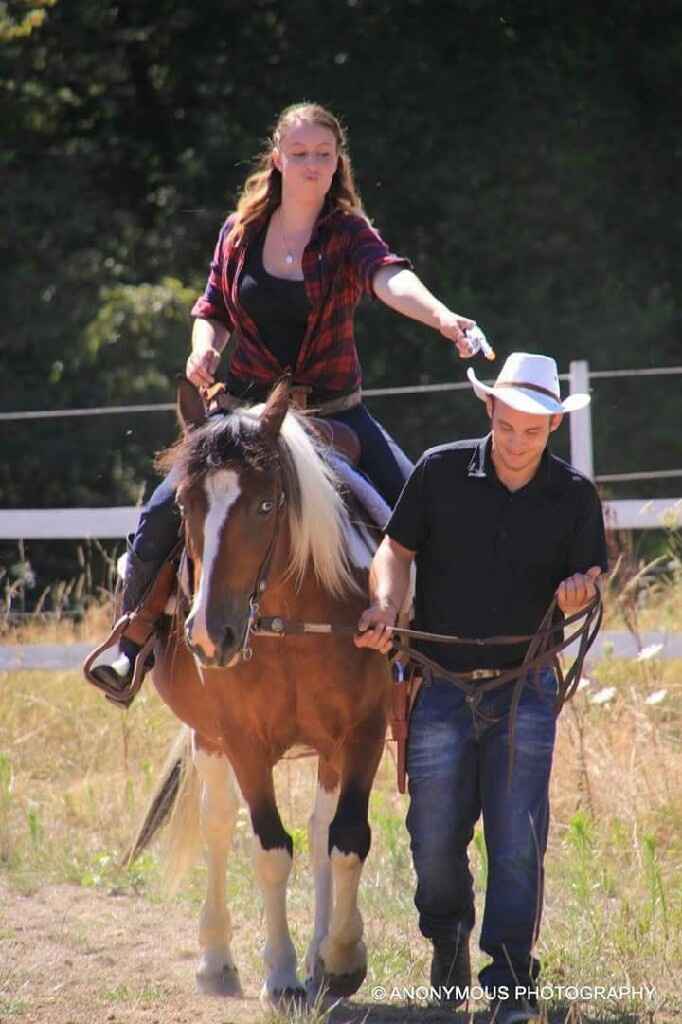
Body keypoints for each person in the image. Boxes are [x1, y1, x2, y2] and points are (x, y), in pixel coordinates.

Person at [91, 101, 481, 695]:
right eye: (299, 154)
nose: (312, 164)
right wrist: (203, 349)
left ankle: (436, 665)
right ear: (277, 159)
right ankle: (131, 640)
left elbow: (389, 277)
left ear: (336, 162)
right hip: (242, 417)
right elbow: (212, 309)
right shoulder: (240, 231)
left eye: (323, 154)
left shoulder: (349, 234)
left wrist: (444, 318)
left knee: (420, 513)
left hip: (335, 416)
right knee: (159, 513)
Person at [355, 352, 608, 1024]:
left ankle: (511, 983)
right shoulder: (439, 471)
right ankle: (446, 944)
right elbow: (395, 551)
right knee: (433, 838)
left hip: (524, 690)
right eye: (509, 426)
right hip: (438, 684)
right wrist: (383, 604)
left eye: (533, 430)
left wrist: (579, 594)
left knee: (517, 837)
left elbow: (588, 585)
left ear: (552, 425)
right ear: (489, 411)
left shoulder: (576, 497)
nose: (519, 442)